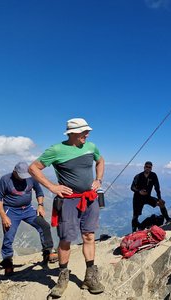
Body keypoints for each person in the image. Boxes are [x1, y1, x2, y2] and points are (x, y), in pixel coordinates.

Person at [29, 118, 105, 297]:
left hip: (89, 198)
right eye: (83, 132)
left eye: (87, 131)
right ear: (72, 133)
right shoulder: (56, 150)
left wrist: (98, 180)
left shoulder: (91, 147)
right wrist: (52, 187)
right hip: (69, 201)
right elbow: (33, 168)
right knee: (65, 238)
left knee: (89, 235)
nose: (87, 134)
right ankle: (63, 277)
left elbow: (100, 161)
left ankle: (90, 276)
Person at [0, 161, 58, 276]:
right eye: (21, 175)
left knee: (44, 226)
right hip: (11, 211)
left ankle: (48, 253)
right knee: (9, 235)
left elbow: (39, 192)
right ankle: (8, 263)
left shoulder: (31, 177)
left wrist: (40, 205)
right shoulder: (5, 180)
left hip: (28, 210)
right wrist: (4, 216)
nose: (24, 178)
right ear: (14, 172)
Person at [130, 161, 171, 232]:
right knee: (135, 216)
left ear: (151, 168)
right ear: (144, 167)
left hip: (147, 197)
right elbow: (132, 187)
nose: (148, 168)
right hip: (137, 198)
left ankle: (167, 219)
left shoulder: (153, 175)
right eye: (147, 167)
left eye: (149, 167)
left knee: (161, 203)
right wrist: (139, 191)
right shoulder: (138, 176)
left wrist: (159, 198)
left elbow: (157, 187)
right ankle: (133, 231)